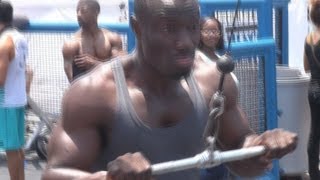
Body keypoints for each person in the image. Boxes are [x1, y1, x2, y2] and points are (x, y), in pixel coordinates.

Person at [42, 0, 297, 180]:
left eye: (192, 27)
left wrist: (262, 146)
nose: (185, 42)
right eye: (168, 28)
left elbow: (241, 158)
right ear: (137, 28)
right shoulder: (94, 93)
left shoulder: (212, 80)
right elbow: (53, 174)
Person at [63, 0, 125, 83]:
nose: (79, 15)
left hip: (110, 88)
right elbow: (72, 83)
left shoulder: (112, 38)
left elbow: (122, 69)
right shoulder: (71, 45)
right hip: (86, 92)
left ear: (96, 12)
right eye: (77, 11)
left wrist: (96, 64)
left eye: (83, 11)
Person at [0, 1, 28, 180]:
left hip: (6, 101)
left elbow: (0, 79)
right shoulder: (20, 37)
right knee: (18, 148)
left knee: (11, 149)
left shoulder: (4, 42)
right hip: (18, 98)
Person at [304, 0, 320, 179]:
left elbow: (306, 66)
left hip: (313, 90)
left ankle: (314, 174)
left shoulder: (308, 38)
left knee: (314, 133)